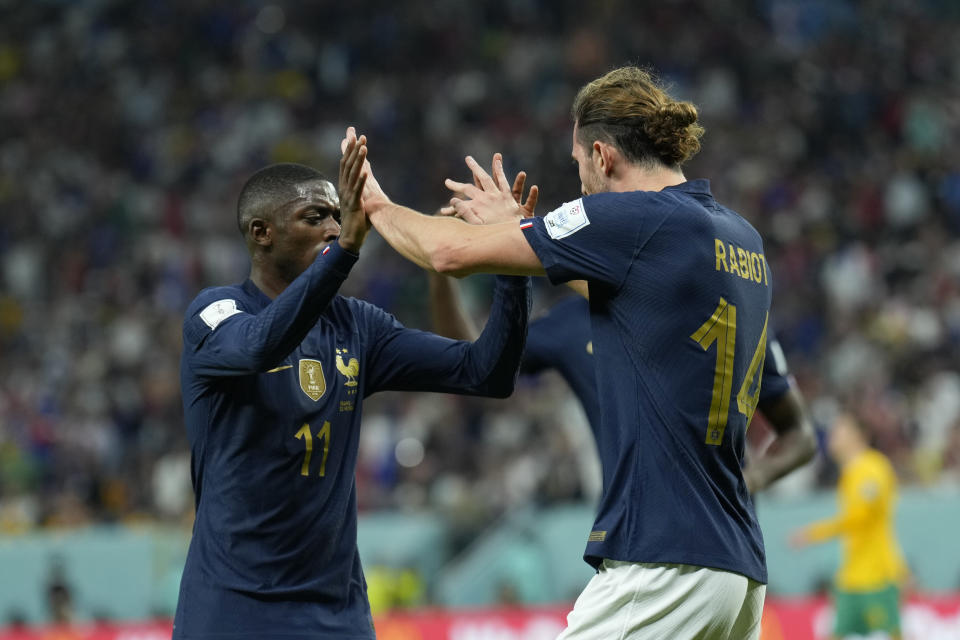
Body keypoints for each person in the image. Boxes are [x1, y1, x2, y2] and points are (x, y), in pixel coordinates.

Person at [344, 64, 776, 638]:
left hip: (663, 560)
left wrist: (374, 207)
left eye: (578, 165)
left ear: (603, 154)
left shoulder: (631, 219)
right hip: (737, 568)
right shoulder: (740, 237)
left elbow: (447, 252)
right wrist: (518, 232)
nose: (580, 182)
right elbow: (622, 283)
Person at [174, 139, 531, 639]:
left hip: (335, 614)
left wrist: (511, 260)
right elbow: (258, 348)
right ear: (262, 234)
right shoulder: (216, 313)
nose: (335, 228)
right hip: (234, 610)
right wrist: (343, 253)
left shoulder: (356, 326)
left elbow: (485, 373)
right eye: (315, 216)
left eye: (338, 216)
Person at [430, 271, 816, 495]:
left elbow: (800, 434)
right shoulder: (571, 323)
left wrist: (751, 479)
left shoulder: (712, 303)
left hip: (726, 534)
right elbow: (474, 362)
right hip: (632, 533)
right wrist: (440, 272)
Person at [791, 413, 908, 640]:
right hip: (852, 576)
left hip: (878, 575)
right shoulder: (850, 472)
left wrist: (811, 534)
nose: (832, 437)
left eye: (839, 431)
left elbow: (859, 518)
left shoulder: (873, 468)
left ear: (859, 435)